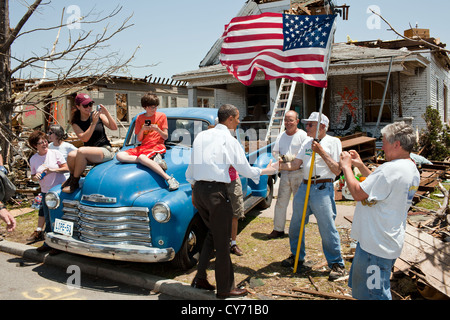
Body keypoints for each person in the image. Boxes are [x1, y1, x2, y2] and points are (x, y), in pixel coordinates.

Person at [186, 104, 277, 299]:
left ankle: (200, 278)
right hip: (216, 193)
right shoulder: (229, 139)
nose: (238, 121)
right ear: (229, 119)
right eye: (237, 118)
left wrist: (194, 190)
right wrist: (265, 171)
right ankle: (225, 288)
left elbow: (191, 167)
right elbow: (244, 169)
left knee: (212, 234)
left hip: (200, 191)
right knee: (223, 241)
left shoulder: (202, 136)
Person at [340, 121, 420, 300]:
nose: (381, 145)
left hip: (375, 247)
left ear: (396, 144)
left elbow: (358, 193)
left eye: (384, 141)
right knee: (367, 292)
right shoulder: (410, 167)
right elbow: (379, 184)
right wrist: (360, 165)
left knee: (375, 295)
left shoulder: (390, 169)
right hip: (382, 242)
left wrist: (346, 167)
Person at [279, 112, 346, 281]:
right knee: (295, 225)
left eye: (310, 125)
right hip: (304, 186)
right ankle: (297, 257)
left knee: (327, 227)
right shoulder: (307, 142)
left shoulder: (333, 142)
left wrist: (321, 151)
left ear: (322, 127)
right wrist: (277, 166)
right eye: (307, 124)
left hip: (323, 187)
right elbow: (296, 164)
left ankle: (336, 264)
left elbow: (337, 170)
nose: (306, 127)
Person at [116, 92, 179, 191]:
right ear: (145, 107)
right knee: (119, 156)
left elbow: (165, 137)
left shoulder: (161, 116)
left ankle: (169, 178)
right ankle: (151, 161)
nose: (155, 109)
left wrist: (158, 130)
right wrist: (143, 129)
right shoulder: (139, 118)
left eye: (156, 107)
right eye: (152, 107)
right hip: (143, 147)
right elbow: (139, 139)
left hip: (157, 146)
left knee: (141, 157)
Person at [27, 125, 78, 243]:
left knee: (61, 217)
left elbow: (66, 168)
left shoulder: (55, 153)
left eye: (45, 141)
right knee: (49, 218)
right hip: (45, 192)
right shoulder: (33, 159)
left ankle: (63, 242)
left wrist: (53, 170)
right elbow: (33, 177)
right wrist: (36, 177)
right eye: (41, 143)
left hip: (58, 191)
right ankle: (49, 242)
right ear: (35, 146)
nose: (45, 144)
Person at [62, 93, 118, 193]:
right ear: (78, 107)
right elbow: (85, 139)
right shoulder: (76, 122)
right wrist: (93, 124)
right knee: (71, 155)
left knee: (81, 151)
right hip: (88, 153)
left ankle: (74, 182)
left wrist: (106, 113)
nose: (88, 107)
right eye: (85, 105)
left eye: (90, 104)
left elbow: (114, 128)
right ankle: (71, 178)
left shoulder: (97, 115)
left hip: (105, 150)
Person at [267, 110, 307, 239]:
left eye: (291, 120)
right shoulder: (281, 136)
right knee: (280, 202)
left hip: (299, 173)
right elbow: (275, 152)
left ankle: (297, 230)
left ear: (297, 121)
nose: (288, 123)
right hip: (285, 173)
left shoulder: (303, 136)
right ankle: (278, 229)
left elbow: (306, 154)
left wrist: (291, 158)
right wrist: (282, 157)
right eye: (286, 120)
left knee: (298, 203)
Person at [228, 166, 244, 256]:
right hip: (218, 182)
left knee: (235, 214)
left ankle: (233, 244)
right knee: (219, 214)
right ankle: (221, 244)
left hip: (233, 180)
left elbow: (238, 162)